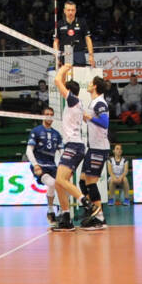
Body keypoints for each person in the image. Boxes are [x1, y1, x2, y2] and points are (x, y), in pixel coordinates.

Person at [51, 64, 89, 230]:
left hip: (74, 145)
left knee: (60, 180)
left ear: (69, 92)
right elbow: (62, 83)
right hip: (75, 146)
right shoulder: (76, 102)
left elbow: (57, 80)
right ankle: (66, 218)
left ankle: (85, 202)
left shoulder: (73, 100)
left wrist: (64, 68)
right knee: (59, 183)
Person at [75, 74, 114, 230]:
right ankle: (92, 211)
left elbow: (105, 123)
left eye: (91, 83)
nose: (88, 84)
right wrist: (88, 118)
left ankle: (100, 218)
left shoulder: (100, 103)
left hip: (99, 148)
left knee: (91, 182)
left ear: (95, 86)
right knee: (82, 181)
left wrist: (89, 118)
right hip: (93, 147)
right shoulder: (94, 102)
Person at [26, 105, 65, 228]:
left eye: (51, 115)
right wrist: (35, 165)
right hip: (40, 165)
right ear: (42, 116)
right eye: (47, 114)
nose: (49, 117)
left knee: (64, 185)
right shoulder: (36, 131)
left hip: (52, 166)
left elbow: (62, 151)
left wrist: (65, 165)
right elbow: (28, 150)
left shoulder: (56, 134)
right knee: (52, 183)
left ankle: (62, 212)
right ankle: (50, 210)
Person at [54, 0, 95, 69]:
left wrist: (91, 56)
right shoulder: (59, 24)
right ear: (64, 11)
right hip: (65, 53)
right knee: (67, 75)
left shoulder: (82, 22)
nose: (70, 12)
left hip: (79, 53)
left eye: (72, 10)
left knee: (80, 74)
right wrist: (56, 57)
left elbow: (88, 39)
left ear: (75, 11)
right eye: (68, 10)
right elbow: (56, 41)